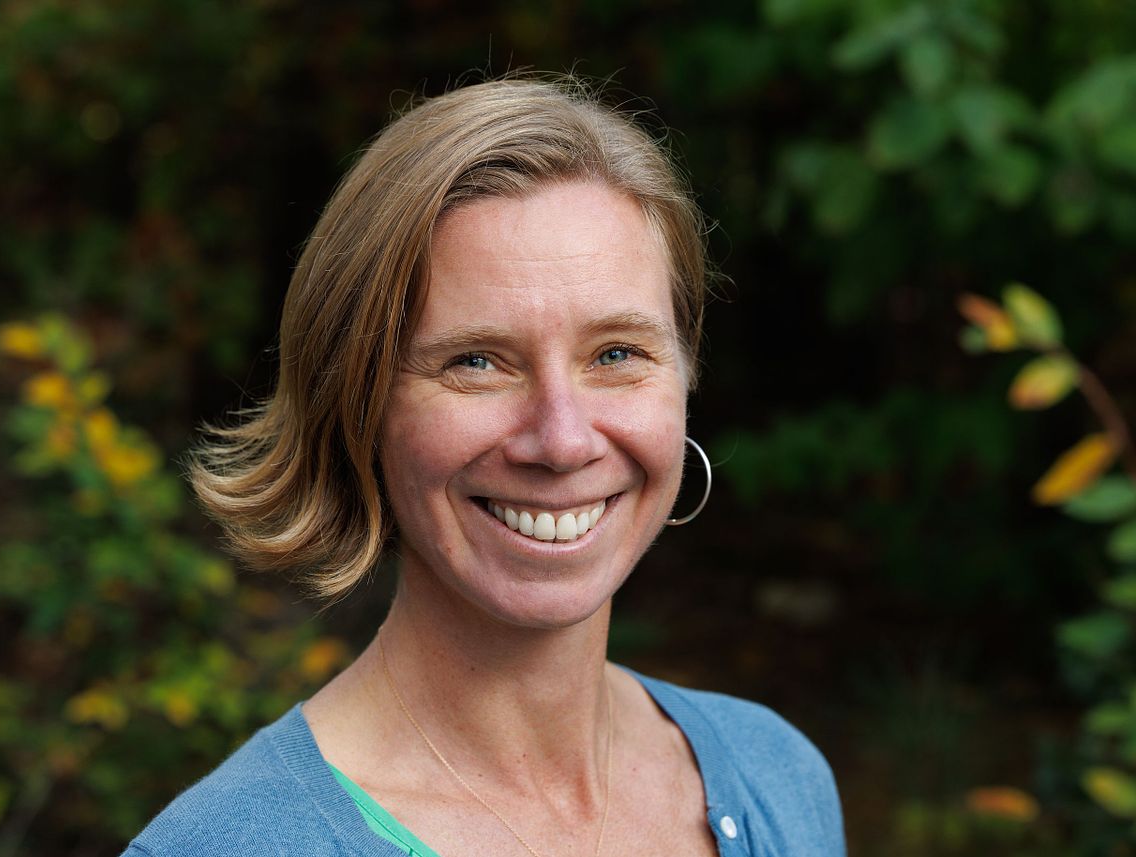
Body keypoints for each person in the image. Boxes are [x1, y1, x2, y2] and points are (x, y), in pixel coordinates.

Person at [122, 76, 846, 857]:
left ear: (684, 373)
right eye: (477, 361)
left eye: (616, 353)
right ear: (357, 404)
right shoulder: (230, 845)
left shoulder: (778, 776)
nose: (563, 440)